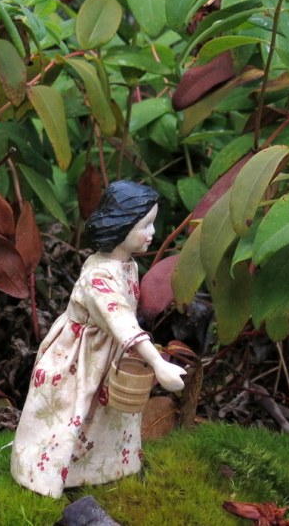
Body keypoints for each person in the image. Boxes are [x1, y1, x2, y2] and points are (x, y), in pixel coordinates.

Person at [11, 181, 186, 497]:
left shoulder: (126, 264)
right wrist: (157, 363)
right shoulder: (99, 275)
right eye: (144, 225)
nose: (152, 232)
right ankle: (47, 473)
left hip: (109, 352)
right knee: (70, 411)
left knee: (109, 414)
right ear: (121, 225)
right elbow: (120, 319)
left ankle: (103, 467)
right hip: (81, 356)